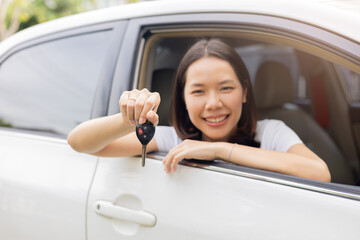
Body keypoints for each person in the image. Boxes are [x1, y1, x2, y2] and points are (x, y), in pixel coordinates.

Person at [67, 38, 331, 182]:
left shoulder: (271, 132)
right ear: (182, 98)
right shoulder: (172, 139)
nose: (213, 103)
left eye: (226, 88)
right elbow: (79, 142)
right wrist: (127, 120)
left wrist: (219, 150)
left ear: (245, 92)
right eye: (198, 91)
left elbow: (320, 173)